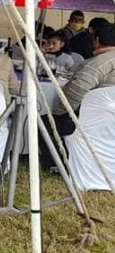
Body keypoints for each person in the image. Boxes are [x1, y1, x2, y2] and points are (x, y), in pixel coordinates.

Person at [41, 24, 115, 169]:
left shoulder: (100, 62)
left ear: (97, 40)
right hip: (108, 121)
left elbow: (78, 88)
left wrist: (61, 111)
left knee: (45, 122)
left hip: (92, 119)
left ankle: (58, 165)